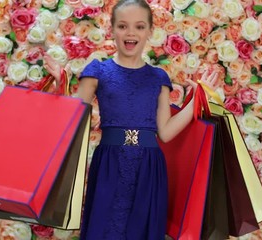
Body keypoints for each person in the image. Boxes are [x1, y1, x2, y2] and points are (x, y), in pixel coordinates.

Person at [44, 0, 218, 239]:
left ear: (149, 32)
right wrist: (59, 84)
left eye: (139, 26)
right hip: (110, 164)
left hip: (149, 166)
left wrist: (197, 100)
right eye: (123, 26)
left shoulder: (159, 77)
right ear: (112, 29)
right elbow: (71, 120)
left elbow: (165, 132)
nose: (130, 33)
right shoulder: (97, 71)